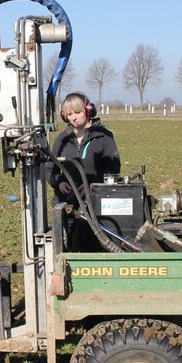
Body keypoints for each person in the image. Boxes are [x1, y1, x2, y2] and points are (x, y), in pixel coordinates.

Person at [46, 92, 121, 249]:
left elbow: (113, 170)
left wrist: (91, 186)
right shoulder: (62, 139)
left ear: (88, 111)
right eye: (69, 114)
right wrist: (59, 183)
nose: (73, 117)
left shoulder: (104, 137)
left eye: (77, 112)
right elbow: (49, 169)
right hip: (66, 206)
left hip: (95, 207)